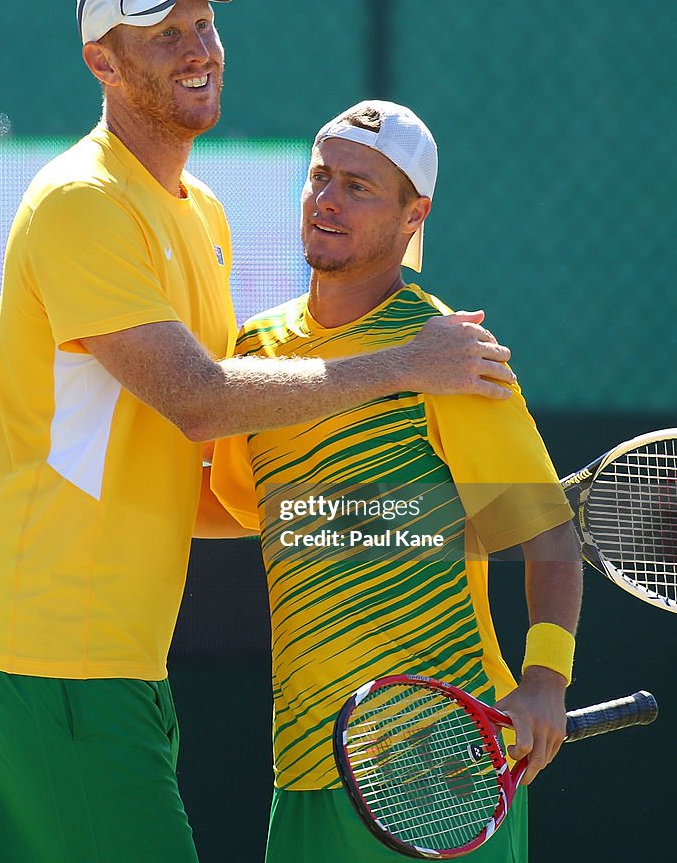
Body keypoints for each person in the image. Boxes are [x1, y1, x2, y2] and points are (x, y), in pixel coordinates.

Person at [0, 0, 517, 862]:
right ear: (103, 65)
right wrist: (409, 365)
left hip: (113, 658)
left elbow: (185, 477)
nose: (198, 48)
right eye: (163, 34)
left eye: (204, 25)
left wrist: (340, 512)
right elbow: (202, 404)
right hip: (35, 645)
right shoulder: (82, 203)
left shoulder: (202, 212)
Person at [209, 100, 583, 862]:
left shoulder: (452, 353)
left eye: (358, 186)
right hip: (307, 768)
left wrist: (546, 678)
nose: (328, 200)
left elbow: (545, 529)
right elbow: (257, 511)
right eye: (320, 177)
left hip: (444, 771)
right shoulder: (252, 347)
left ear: (415, 215)